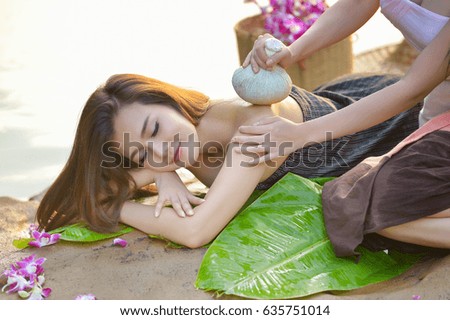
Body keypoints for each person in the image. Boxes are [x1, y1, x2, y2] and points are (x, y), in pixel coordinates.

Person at [235, 0, 449, 257]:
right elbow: (357, 4)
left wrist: (301, 134)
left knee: (368, 204)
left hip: (432, 106)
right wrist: (291, 52)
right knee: (355, 204)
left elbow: (411, 88)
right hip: (437, 112)